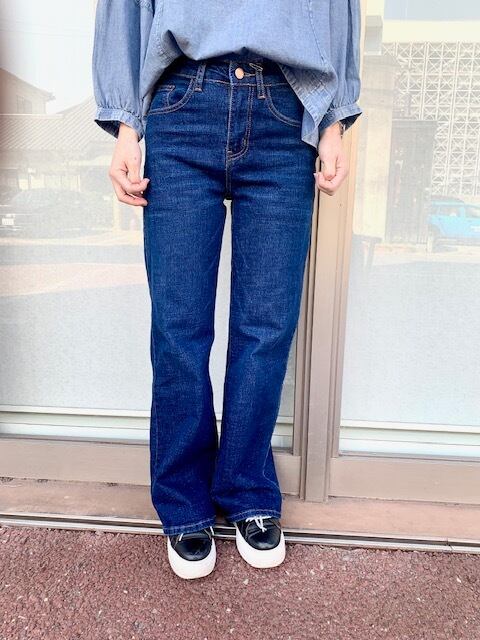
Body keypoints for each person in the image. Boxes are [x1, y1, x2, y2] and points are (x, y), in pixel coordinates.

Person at [92, 0, 362, 580]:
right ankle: (183, 499)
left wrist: (334, 121)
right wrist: (126, 125)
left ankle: (246, 486)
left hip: (286, 109)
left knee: (267, 326)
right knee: (179, 327)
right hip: (182, 103)